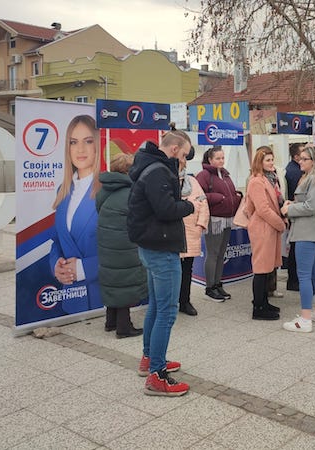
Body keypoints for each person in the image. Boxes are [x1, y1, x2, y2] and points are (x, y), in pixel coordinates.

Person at [128, 130, 202, 396]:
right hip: (161, 249)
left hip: (152, 245)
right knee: (167, 312)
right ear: (173, 149)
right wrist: (190, 204)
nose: (184, 160)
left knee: (157, 307)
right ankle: (157, 376)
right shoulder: (159, 171)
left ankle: (150, 359)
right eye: (183, 155)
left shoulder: (149, 166)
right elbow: (166, 209)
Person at [50, 115, 102, 312]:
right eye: (73, 142)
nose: (80, 149)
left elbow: (126, 247)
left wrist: (83, 269)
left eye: (88, 141)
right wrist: (56, 265)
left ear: (98, 144)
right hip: (71, 297)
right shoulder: (63, 191)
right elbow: (57, 240)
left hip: (102, 298)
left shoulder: (108, 189)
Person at [280, 146, 315, 333]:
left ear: (314, 161)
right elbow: (310, 204)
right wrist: (293, 204)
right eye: (300, 158)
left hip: (307, 230)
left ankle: (305, 318)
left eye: (304, 159)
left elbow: (311, 206)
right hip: (311, 229)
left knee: (304, 275)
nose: (300, 161)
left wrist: (289, 209)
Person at [96, 153, 146, 338]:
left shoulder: (105, 189)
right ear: (129, 170)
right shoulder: (131, 192)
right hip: (125, 244)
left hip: (107, 242)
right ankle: (124, 327)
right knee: (125, 282)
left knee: (113, 279)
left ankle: (111, 321)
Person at [195, 147, 242, 302]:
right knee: (213, 254)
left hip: (227, 219)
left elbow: (230, 192)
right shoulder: (204, 175)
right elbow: (198, 196)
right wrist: (217, 198)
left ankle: (217, 284)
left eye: (222, 158)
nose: (221, 161)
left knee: (221, 254)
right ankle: (209, 288)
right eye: (217, 158)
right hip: (214, 219)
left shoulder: (225, 174)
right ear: (210, 160)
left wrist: (236, 198)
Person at [246, 146, 286, 320]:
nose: (271, 163)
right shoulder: (256, 181)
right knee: (261, 269)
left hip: (269, 227)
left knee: (268, 267)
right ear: (259, 162)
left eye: (272, 160)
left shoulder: (271, 179)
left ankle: (264, 301)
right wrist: (280, 224)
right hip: (263, 227)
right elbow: (262, 209)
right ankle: (258, 307)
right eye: (268, 160)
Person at [179, 147, 209, 316]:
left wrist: (200, 225)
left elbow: (203, 203)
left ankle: (185, 301)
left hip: (191, 233)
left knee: (187, 270)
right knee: (172, 271)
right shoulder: (166, 180)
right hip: (173, 234)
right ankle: (170, 302)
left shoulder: (193, 181)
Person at [284, 143, 304, 292]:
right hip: (295, 213)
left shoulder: (296, 169)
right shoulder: (294, 171)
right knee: (295, 249)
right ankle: (293, 280)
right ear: (297, 156)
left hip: (295, 211)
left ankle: (294, 279)